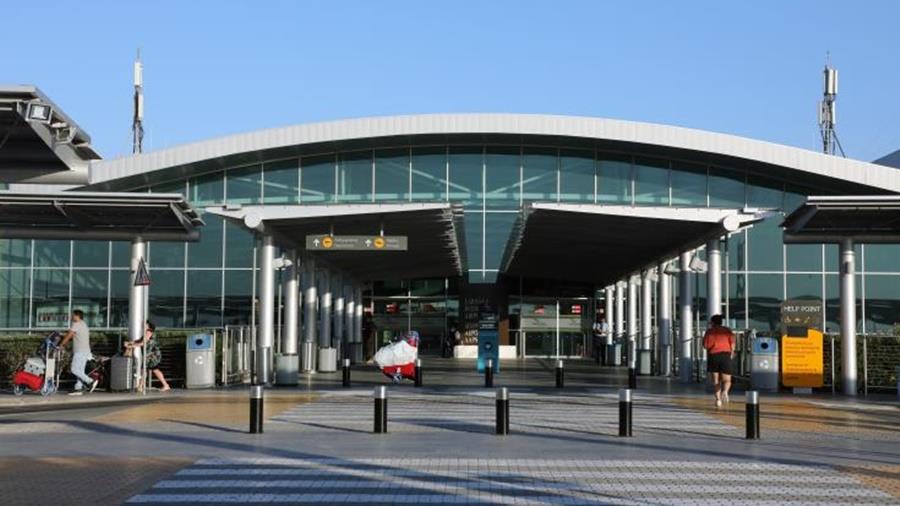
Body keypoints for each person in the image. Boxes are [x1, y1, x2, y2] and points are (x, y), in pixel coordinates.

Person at [58, 310, 98, 395]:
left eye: (73, 315)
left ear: (77, 316)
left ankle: (90, 381)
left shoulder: (76, 324)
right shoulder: (83, 324)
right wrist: (63, 335)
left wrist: (61, 345)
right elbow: (74, 335)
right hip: (86, 351)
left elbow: (69, 335)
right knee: (80, 371)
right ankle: (78, 388)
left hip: (80, 351)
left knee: (74, 369)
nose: (71, 317)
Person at [126, 320, 171, 392]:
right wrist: (131, 343)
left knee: (145, 369)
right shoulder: (146, 332)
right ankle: (165, 385)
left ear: (148, 326)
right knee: (154, 370)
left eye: (145, 324)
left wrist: (133, 345)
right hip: (150, 355)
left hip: (151, 355)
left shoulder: (148, 332)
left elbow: (143, 343)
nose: (143, 325)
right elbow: (140, 340)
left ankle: (141, 386)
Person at [703, 314, 735, 408]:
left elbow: (705, 345)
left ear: (713, 322)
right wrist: (731, 354)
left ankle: (718, 400)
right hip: (725, 355)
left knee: (716, 380)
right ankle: (725, 392)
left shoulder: (709, 331)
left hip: (713, 356)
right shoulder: (727, 330)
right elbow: (732, 344)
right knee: (727, 380)